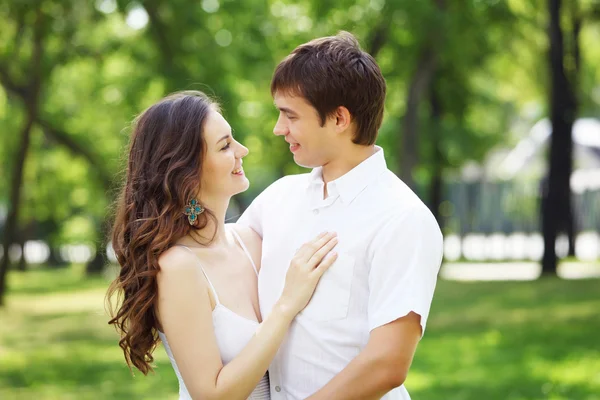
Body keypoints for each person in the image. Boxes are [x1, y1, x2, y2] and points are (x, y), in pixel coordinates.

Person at [237, 31, 444, 400]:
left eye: (290, 115)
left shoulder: (403, 218)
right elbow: (214, 250)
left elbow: (388, 363)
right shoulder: (278, 198)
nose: (278, 128)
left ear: (338, 119)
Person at [106, 91, 339, 400]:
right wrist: (286, 305)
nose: (242, 150)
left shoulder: (251, 241)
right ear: (185, 171)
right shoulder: (178, 267)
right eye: (225, 145)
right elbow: (212, 395)